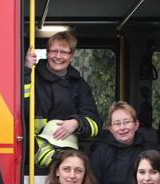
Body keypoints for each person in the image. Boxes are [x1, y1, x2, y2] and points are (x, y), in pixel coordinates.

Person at [24, 31, 102, 168]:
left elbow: (95, 124)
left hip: (68, 155)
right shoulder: (31, 77)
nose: (58, 56)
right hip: (32, 153)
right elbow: (20, 110)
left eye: (64, 52)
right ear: (47, 53)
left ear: (71, 56)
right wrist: (25, 70)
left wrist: (77, 123)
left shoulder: (79, 85)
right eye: (54, 51)